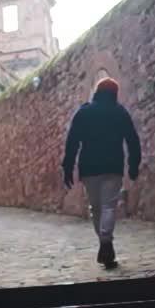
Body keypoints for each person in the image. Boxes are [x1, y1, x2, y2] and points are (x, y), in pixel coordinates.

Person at [61, 77, 141, 269]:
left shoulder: (84, 112)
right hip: (113, 165)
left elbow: (72, 142)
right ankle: (106, 241)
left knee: (96, 208)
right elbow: (132, 140)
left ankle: (104, 242)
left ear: (97, 91)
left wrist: (68, 167)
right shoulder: (120, 112)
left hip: (90, 167)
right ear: (115, 93)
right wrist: (133, 165)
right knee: (108, 206)